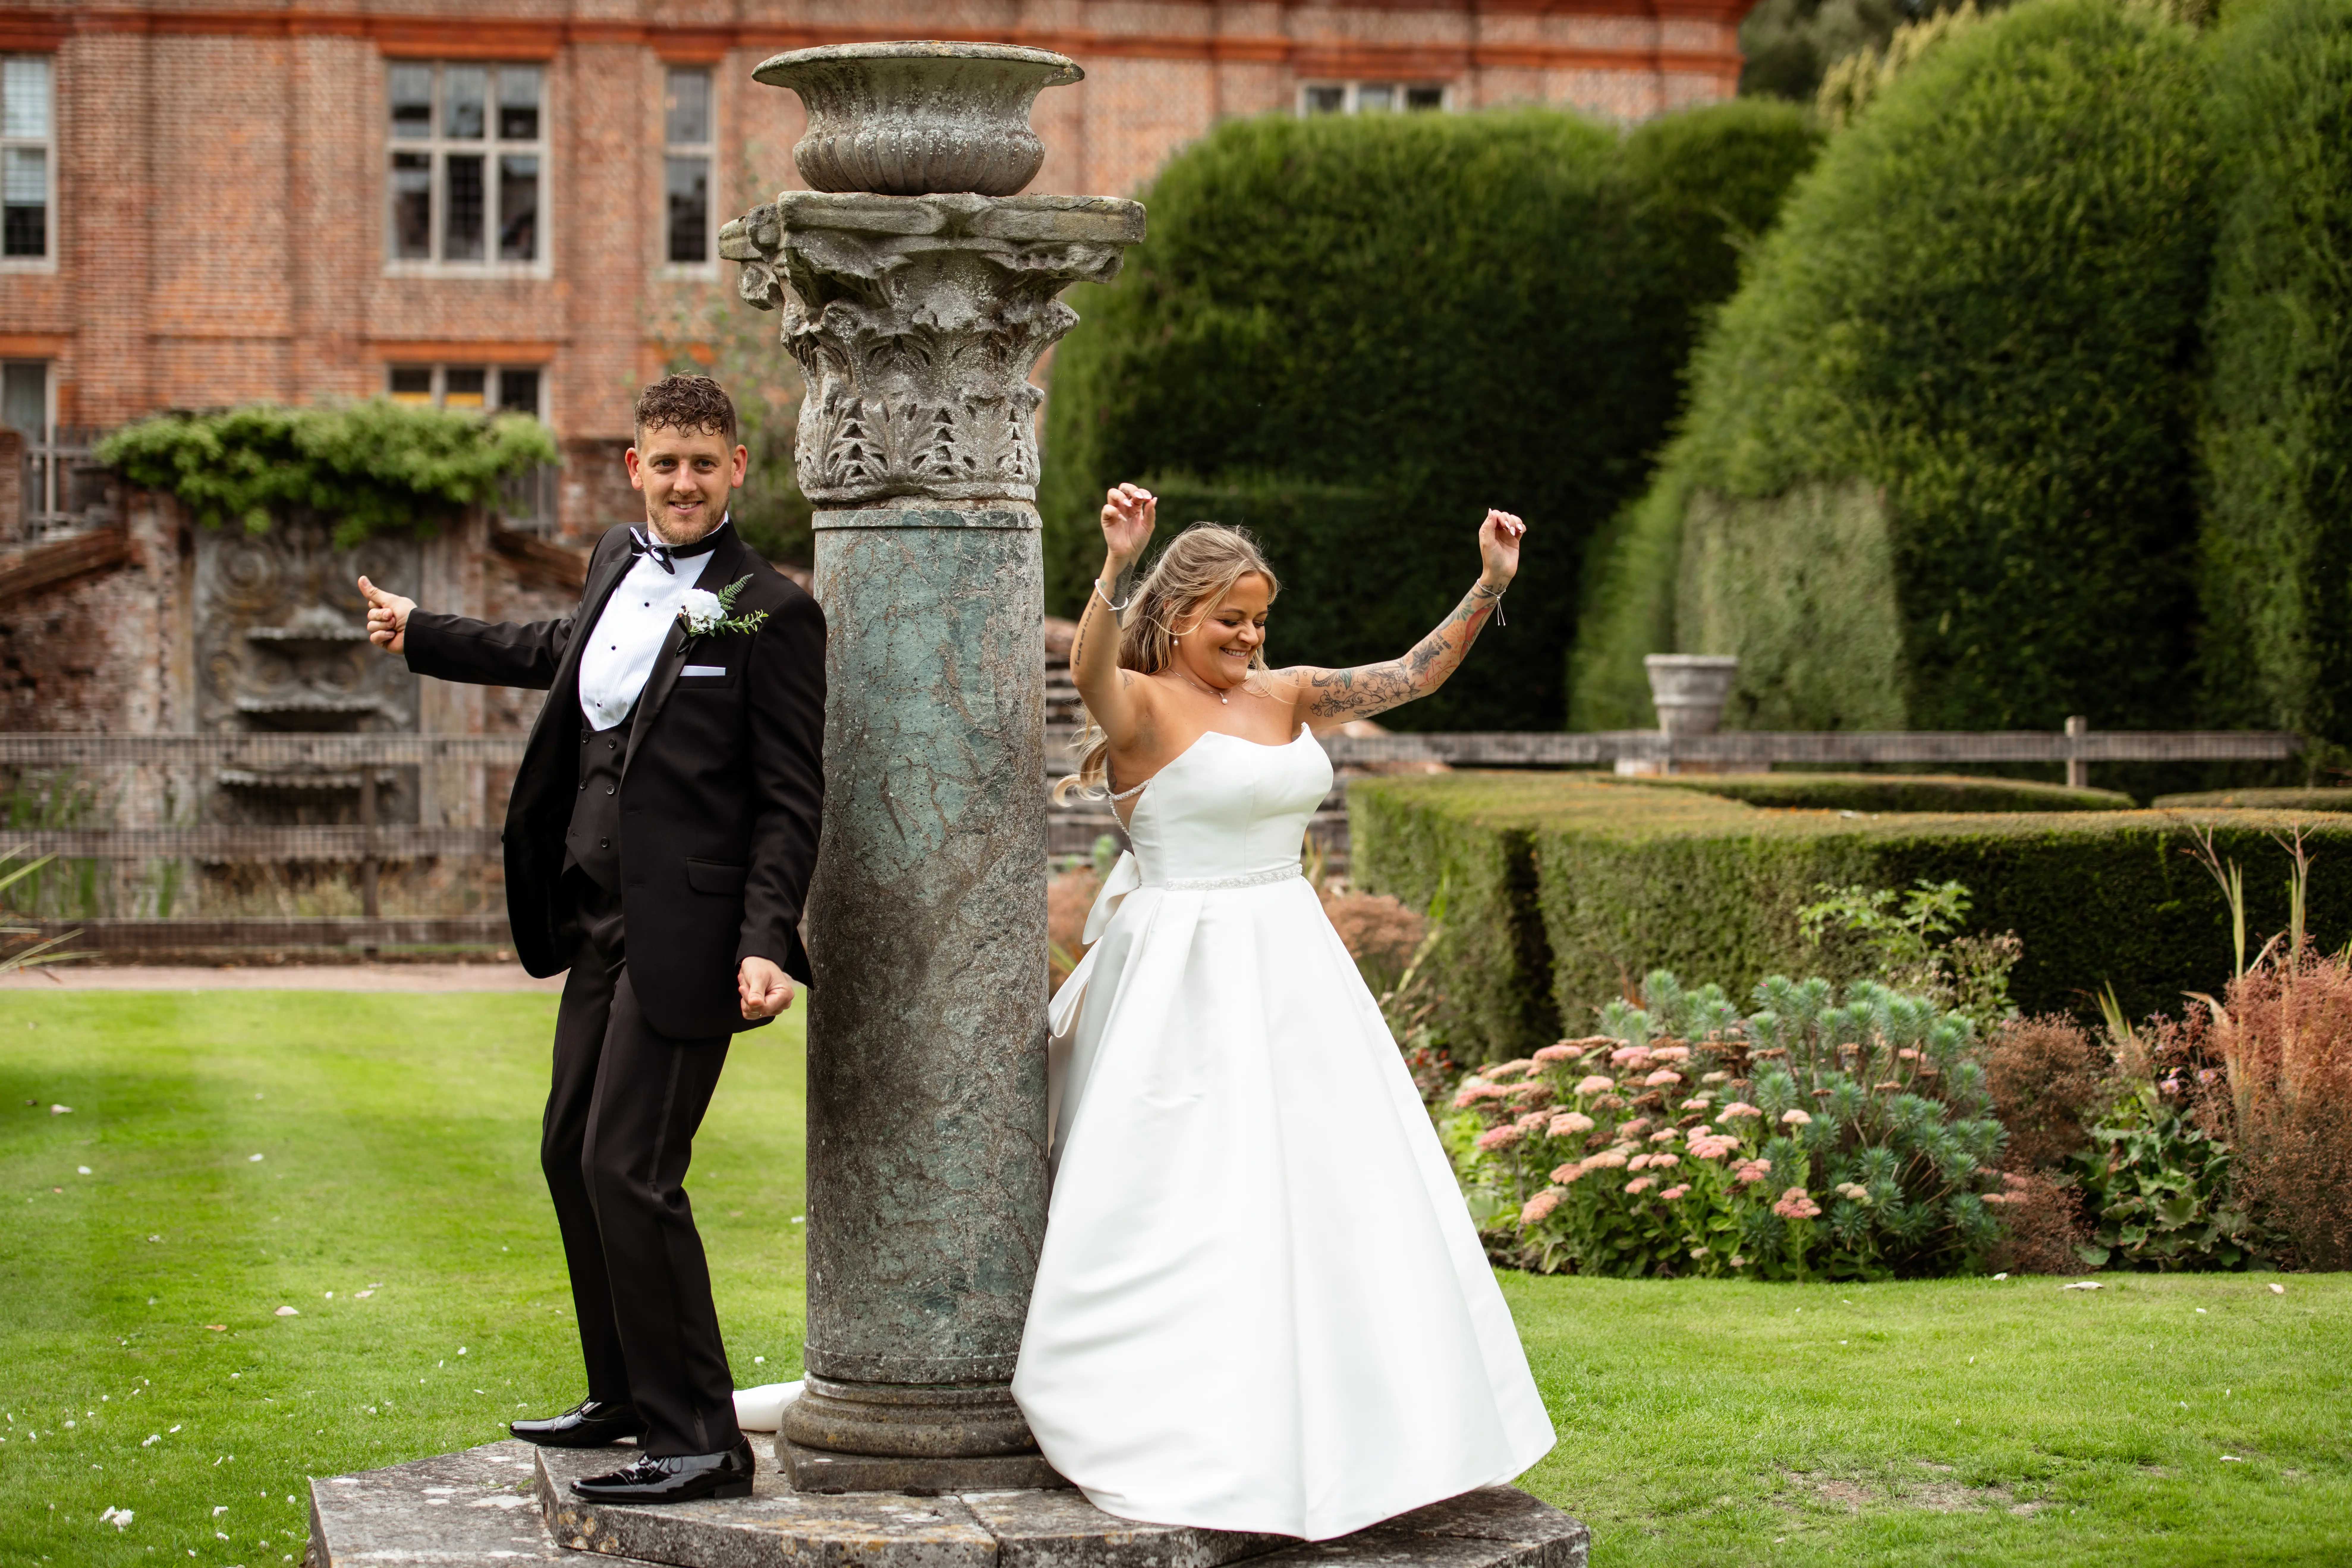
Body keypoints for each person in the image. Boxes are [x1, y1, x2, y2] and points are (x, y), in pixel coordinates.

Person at [1012, 483, 1554, 1540]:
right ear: (1179, 617)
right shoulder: (1139, 703)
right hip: (1183, 976)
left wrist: (1490, 584)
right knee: (1192, 1194)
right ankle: (1188, 1419)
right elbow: (1087, 671)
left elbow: (1410, 674)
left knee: (1332, 1192)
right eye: (1231, 620)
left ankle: (1363, 1432)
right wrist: (1116, 567)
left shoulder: (1288, 693)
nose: (1251, 638)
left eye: (1261, 620)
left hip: (1295, 970)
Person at [355, 375, 824, 1505]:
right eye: (665, 463)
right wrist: (424, 631)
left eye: (704, 463)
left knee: (633, 1170)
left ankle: (702, 1439)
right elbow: (561, 649)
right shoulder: (617, 560)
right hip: (599, 920)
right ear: (634, 467)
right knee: (571, 1151)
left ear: (737, 469)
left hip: (697, 935)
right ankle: (621, 1392)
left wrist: (768, 939)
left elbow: (789, 798)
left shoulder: (771, 609)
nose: (683, 483)